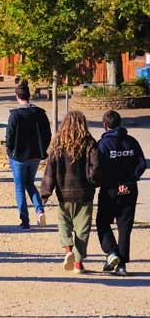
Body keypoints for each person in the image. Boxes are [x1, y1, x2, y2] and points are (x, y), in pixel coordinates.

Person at [40, 111, 101, 274]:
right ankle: (78, 263)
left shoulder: (58, 143)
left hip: (64, 192)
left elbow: (50, 170)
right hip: (84, 192)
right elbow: (95, 168)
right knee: (82, 228)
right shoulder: (89, 142)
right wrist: (95, 182)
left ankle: (68, 251)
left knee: (64, 223)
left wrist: (45, 193)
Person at [95, 110, 146, 276]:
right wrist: (129, 181)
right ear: (120, 124)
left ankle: (112, 252)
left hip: (110, 190)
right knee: (125, 227)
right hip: (130, 190)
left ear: (105, 126)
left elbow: (98, 168)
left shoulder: (103, 145)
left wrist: (113, 184)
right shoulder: (132, 142)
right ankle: (122, 265)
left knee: (102, 222)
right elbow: (141, 164)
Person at [6, 81, 52, 230]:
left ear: (17, 96)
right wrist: (42, 149)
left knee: (20, 187)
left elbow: (10, 136)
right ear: (29, 95)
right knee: (30, 183)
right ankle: (39, 210)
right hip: (35, 155)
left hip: (19, 156)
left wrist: (9, 151)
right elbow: (48, 134)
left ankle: (24, 220)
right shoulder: (40, 113)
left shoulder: (15, 115)